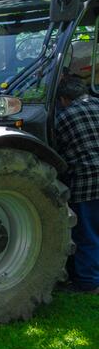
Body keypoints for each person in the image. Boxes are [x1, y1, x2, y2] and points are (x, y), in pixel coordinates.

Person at [55, 41, 99, 293]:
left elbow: (58, 152)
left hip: (86, 181)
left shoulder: (65, 116)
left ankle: (89, 282)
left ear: (63, 98)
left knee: (87, 235)